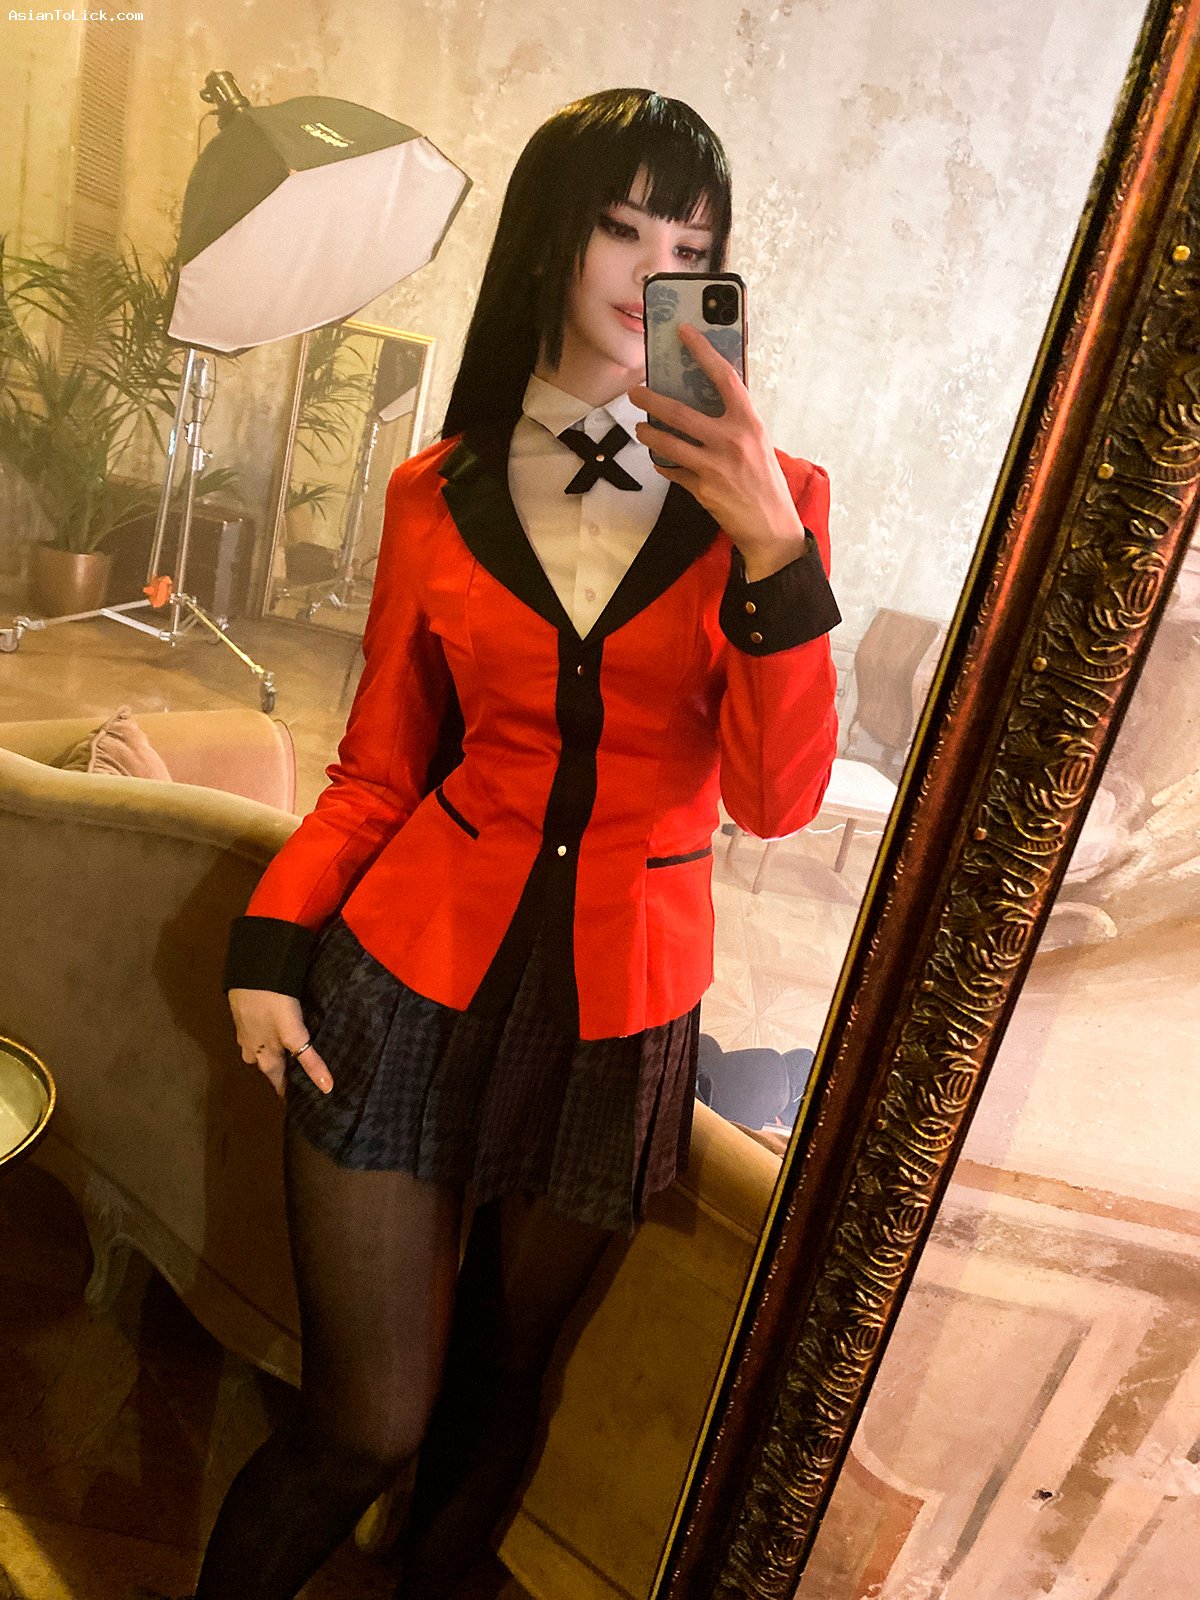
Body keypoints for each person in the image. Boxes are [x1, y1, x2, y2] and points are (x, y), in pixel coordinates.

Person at [194, 86, 840, 1600]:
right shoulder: (437, 493)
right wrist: (268, 952)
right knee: (365, 1422)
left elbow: (778, 801)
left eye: (691, 246)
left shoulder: (777, 503)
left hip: (622, 1009)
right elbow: (374, 773)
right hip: (407, 979)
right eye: (620, 225)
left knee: (502, 1393)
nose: (650, 268)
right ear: (553, 237)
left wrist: (769, 548)